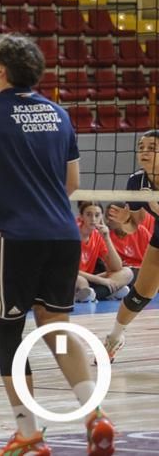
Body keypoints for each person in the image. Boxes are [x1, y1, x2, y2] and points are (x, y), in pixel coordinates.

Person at [0, 33, 115, 455]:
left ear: (2, 69)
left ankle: (28, 432)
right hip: (63, 235)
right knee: (55, 327)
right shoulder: (59, 114)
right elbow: (72, 182)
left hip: (18, 237)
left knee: (6, 332)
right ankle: (94, 413)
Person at [103, 129, 159, 360]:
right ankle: (115, 338)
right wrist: (125, 221)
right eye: (141, 147)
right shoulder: (137, 181)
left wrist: (156, 208)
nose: (144, 152)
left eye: (152, 148)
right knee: (139, 295)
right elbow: (133, 227)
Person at [74, 202, 131, 302]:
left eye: (97, 215)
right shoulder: (72, 233)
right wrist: (101, 280)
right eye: (88, 215)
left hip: (90, 278)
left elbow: (116, 267)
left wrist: (107, 238)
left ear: (101, 217)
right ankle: (108, 293)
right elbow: (70, 270)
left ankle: (89, 294)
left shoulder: (98, 235)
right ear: (81, 217)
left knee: (127, 272)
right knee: (81, 281)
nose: (93, 219)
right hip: (72, 277)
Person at [106, 201, 153, 273]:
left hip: (143, 270)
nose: (107, 221)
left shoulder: (141, 231)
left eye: (111, 216)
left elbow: (153, 257)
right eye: (106, 216)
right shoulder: (106, 235)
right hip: (123, 272)